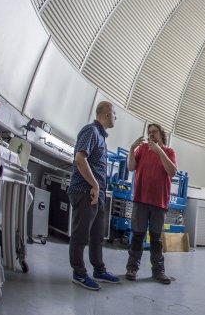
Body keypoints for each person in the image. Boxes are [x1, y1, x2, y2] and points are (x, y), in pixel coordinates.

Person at [67, 101, 120, 290]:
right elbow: (80, 159)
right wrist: (95, 184)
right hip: (85, 191)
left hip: (97, 195)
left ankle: (99, 270)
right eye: (114, 113)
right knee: (81, 235)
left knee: (97, 236)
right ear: (106, 114)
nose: (115, 117)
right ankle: (79, 274)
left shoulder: (100, 136)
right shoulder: (90, 131)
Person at [125, 123, 177, 284]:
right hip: (141, 200)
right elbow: (131, 167)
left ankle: (158, 271)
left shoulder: (169, 151)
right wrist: (132, 148)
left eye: (154, 132)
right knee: (138, 236)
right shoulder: (142, 150)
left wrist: (159, 150)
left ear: (161, 134)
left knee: (156, 239)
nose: (151, 135)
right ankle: (132, 268)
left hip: (159, 203)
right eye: (149, 132)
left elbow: (172, 171)